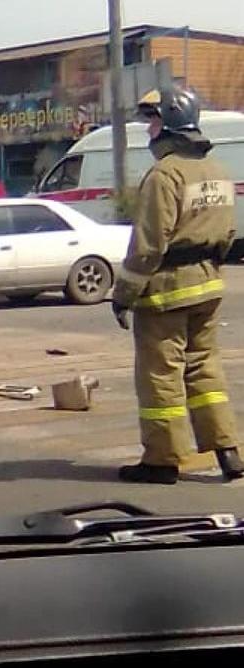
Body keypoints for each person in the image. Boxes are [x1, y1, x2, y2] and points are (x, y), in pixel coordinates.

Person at [110, 84, 243, 485]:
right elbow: (228, 233)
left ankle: (161, 460)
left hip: (166, 292)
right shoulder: (216, 172)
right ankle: (229, 451)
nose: (147, 130)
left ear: (166, 124)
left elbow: (148, 247)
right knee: (204, 370)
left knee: (161, 375)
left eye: (151, 121)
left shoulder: (164, 175)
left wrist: (123, 295)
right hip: (208, 286)